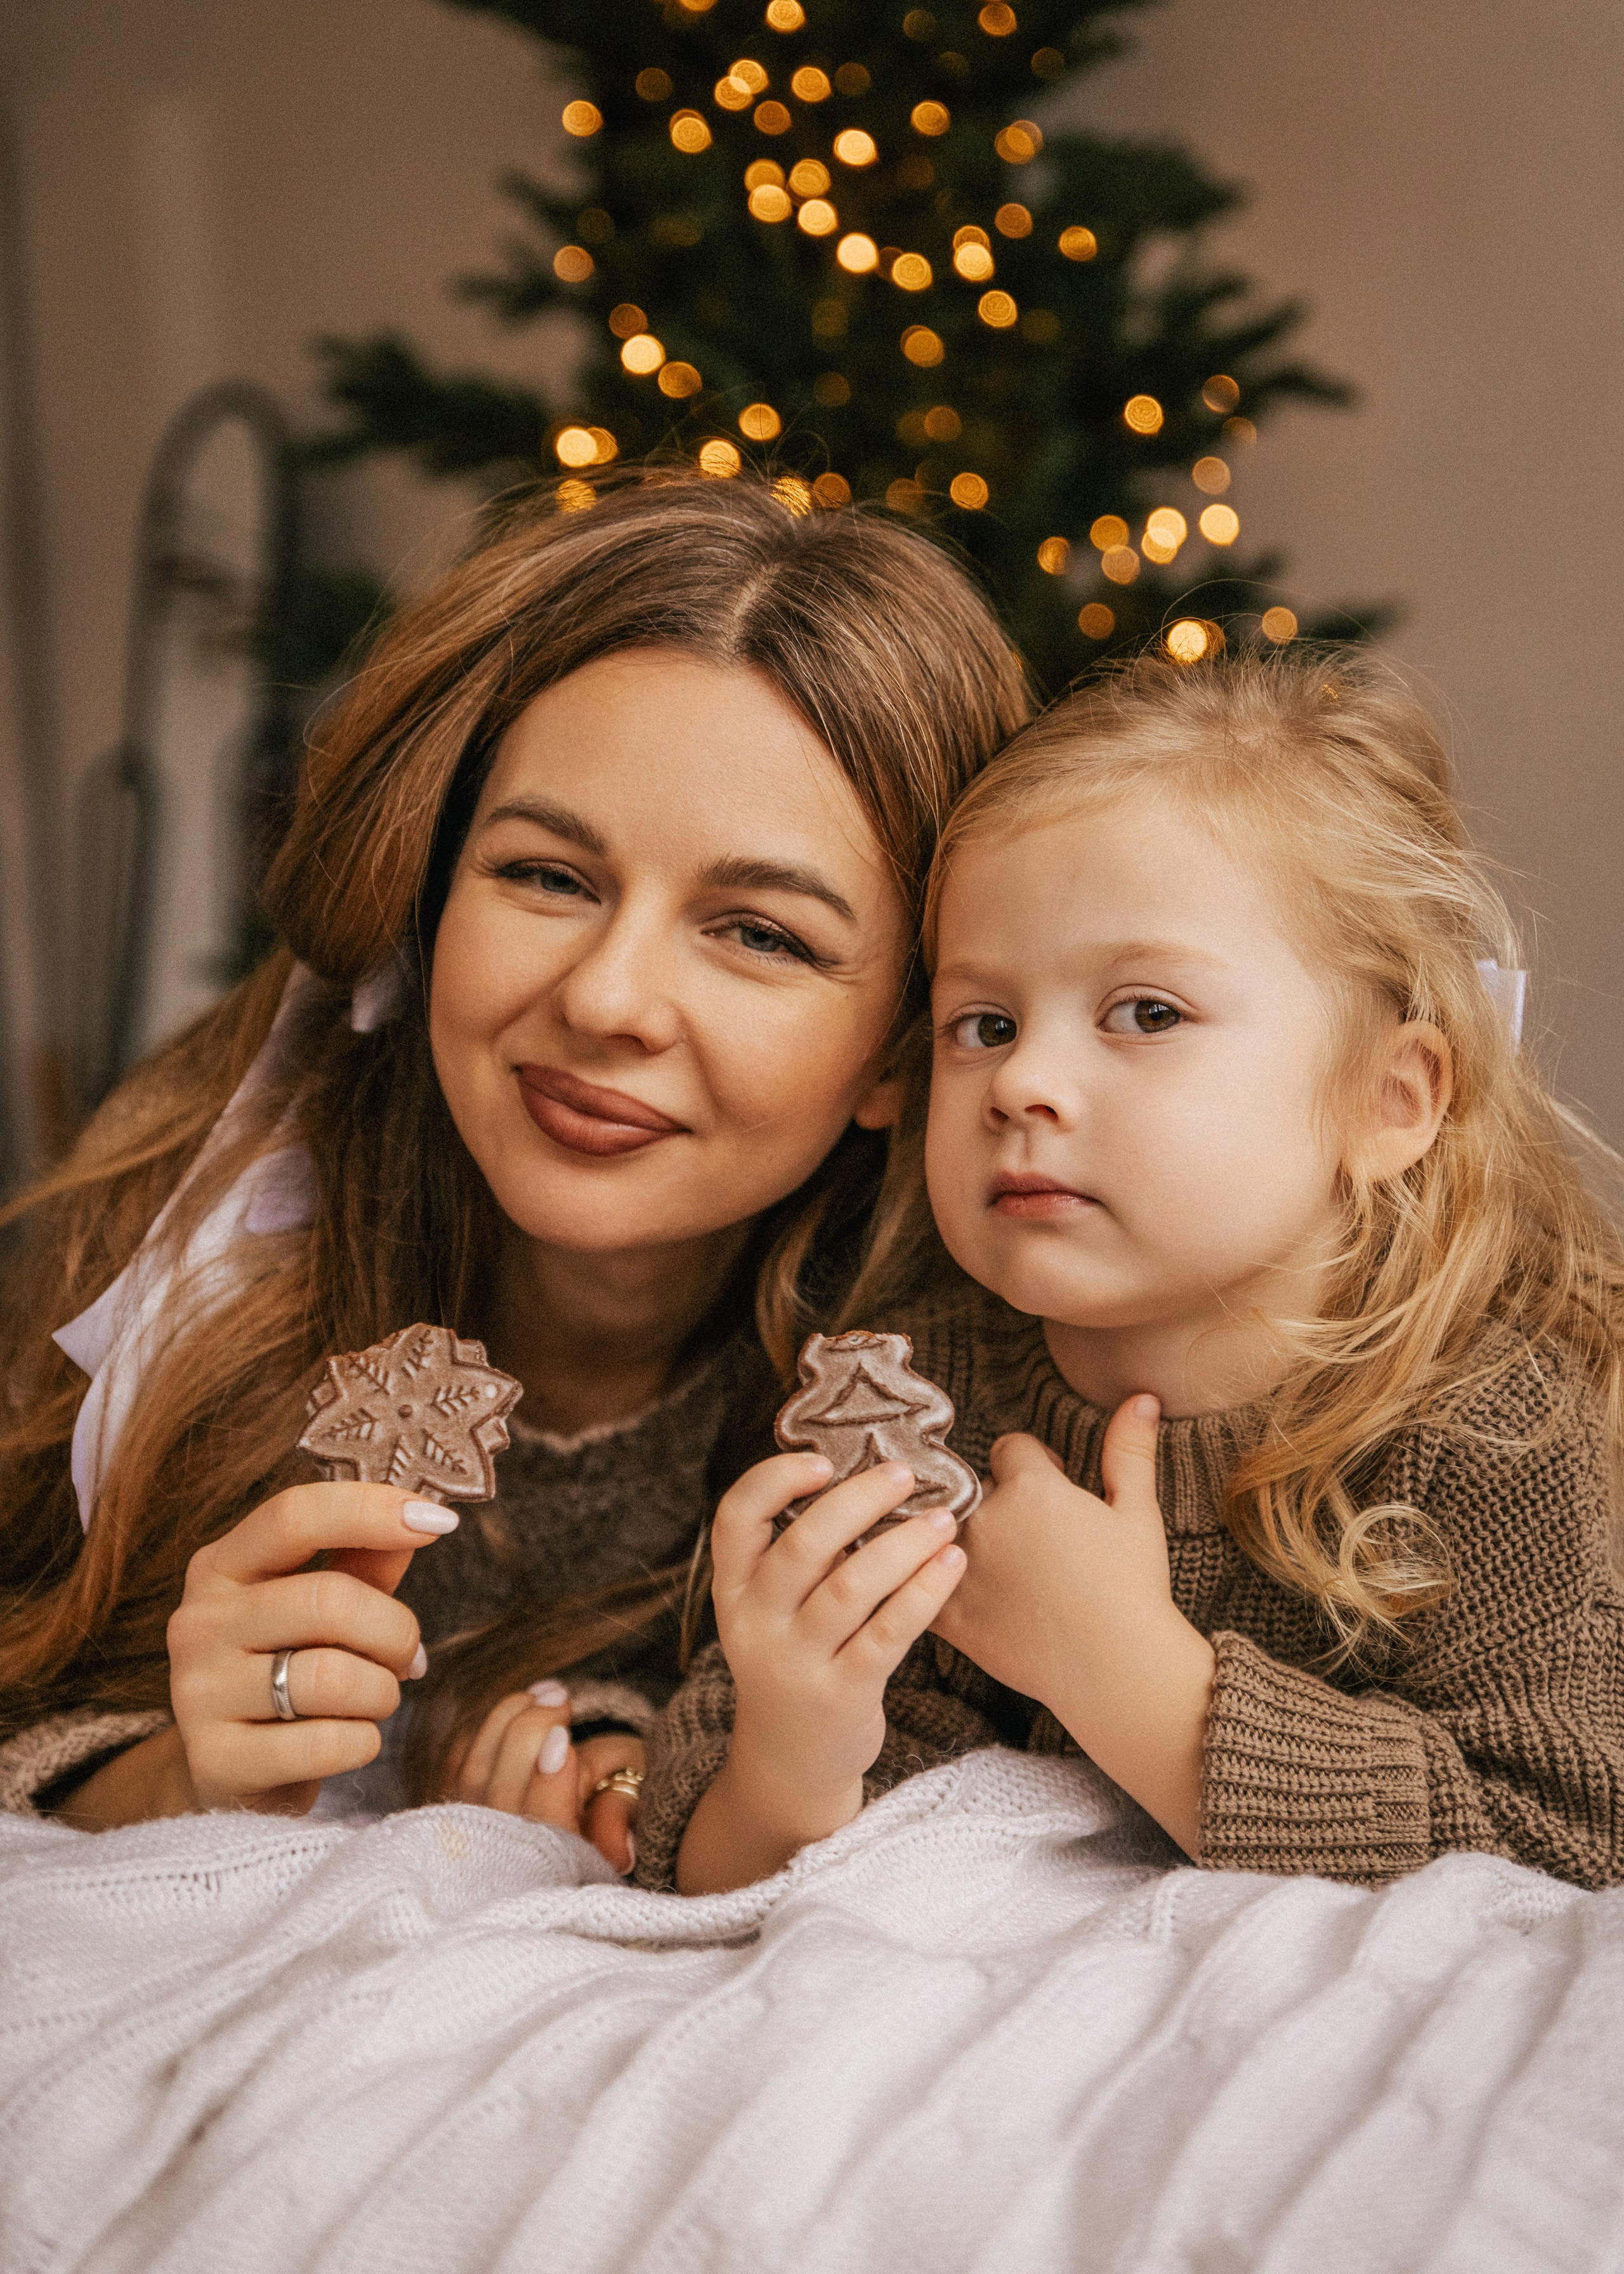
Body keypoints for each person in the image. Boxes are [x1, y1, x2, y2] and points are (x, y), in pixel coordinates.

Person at [0, 471, 1028, 1866]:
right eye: (548, 876)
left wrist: (649, 1769)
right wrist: (186, 1766)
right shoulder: (199, 1257)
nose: (606, 999)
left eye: (760, 934)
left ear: (902, 1053)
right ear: (434, 891)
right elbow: (35, 1694)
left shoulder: (952, 1381)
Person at [646, 646, 1624, 1896]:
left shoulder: (1486, 1430)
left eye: (1146, 1013)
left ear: (1386, 1101)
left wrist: (1130, 1678)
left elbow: (1569, 1844)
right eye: (983, 1024)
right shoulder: (911, 1401)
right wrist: (791, 1753)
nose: (1022, 1082)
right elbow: (705, 1869)